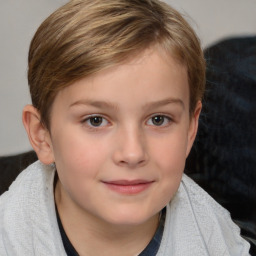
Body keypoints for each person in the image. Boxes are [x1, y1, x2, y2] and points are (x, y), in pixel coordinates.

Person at [0, 0, 250, 255]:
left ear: (189, 130)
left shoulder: (223, 244)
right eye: (95, 120)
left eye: (158, 119)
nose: (132, 153)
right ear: (42, 136)